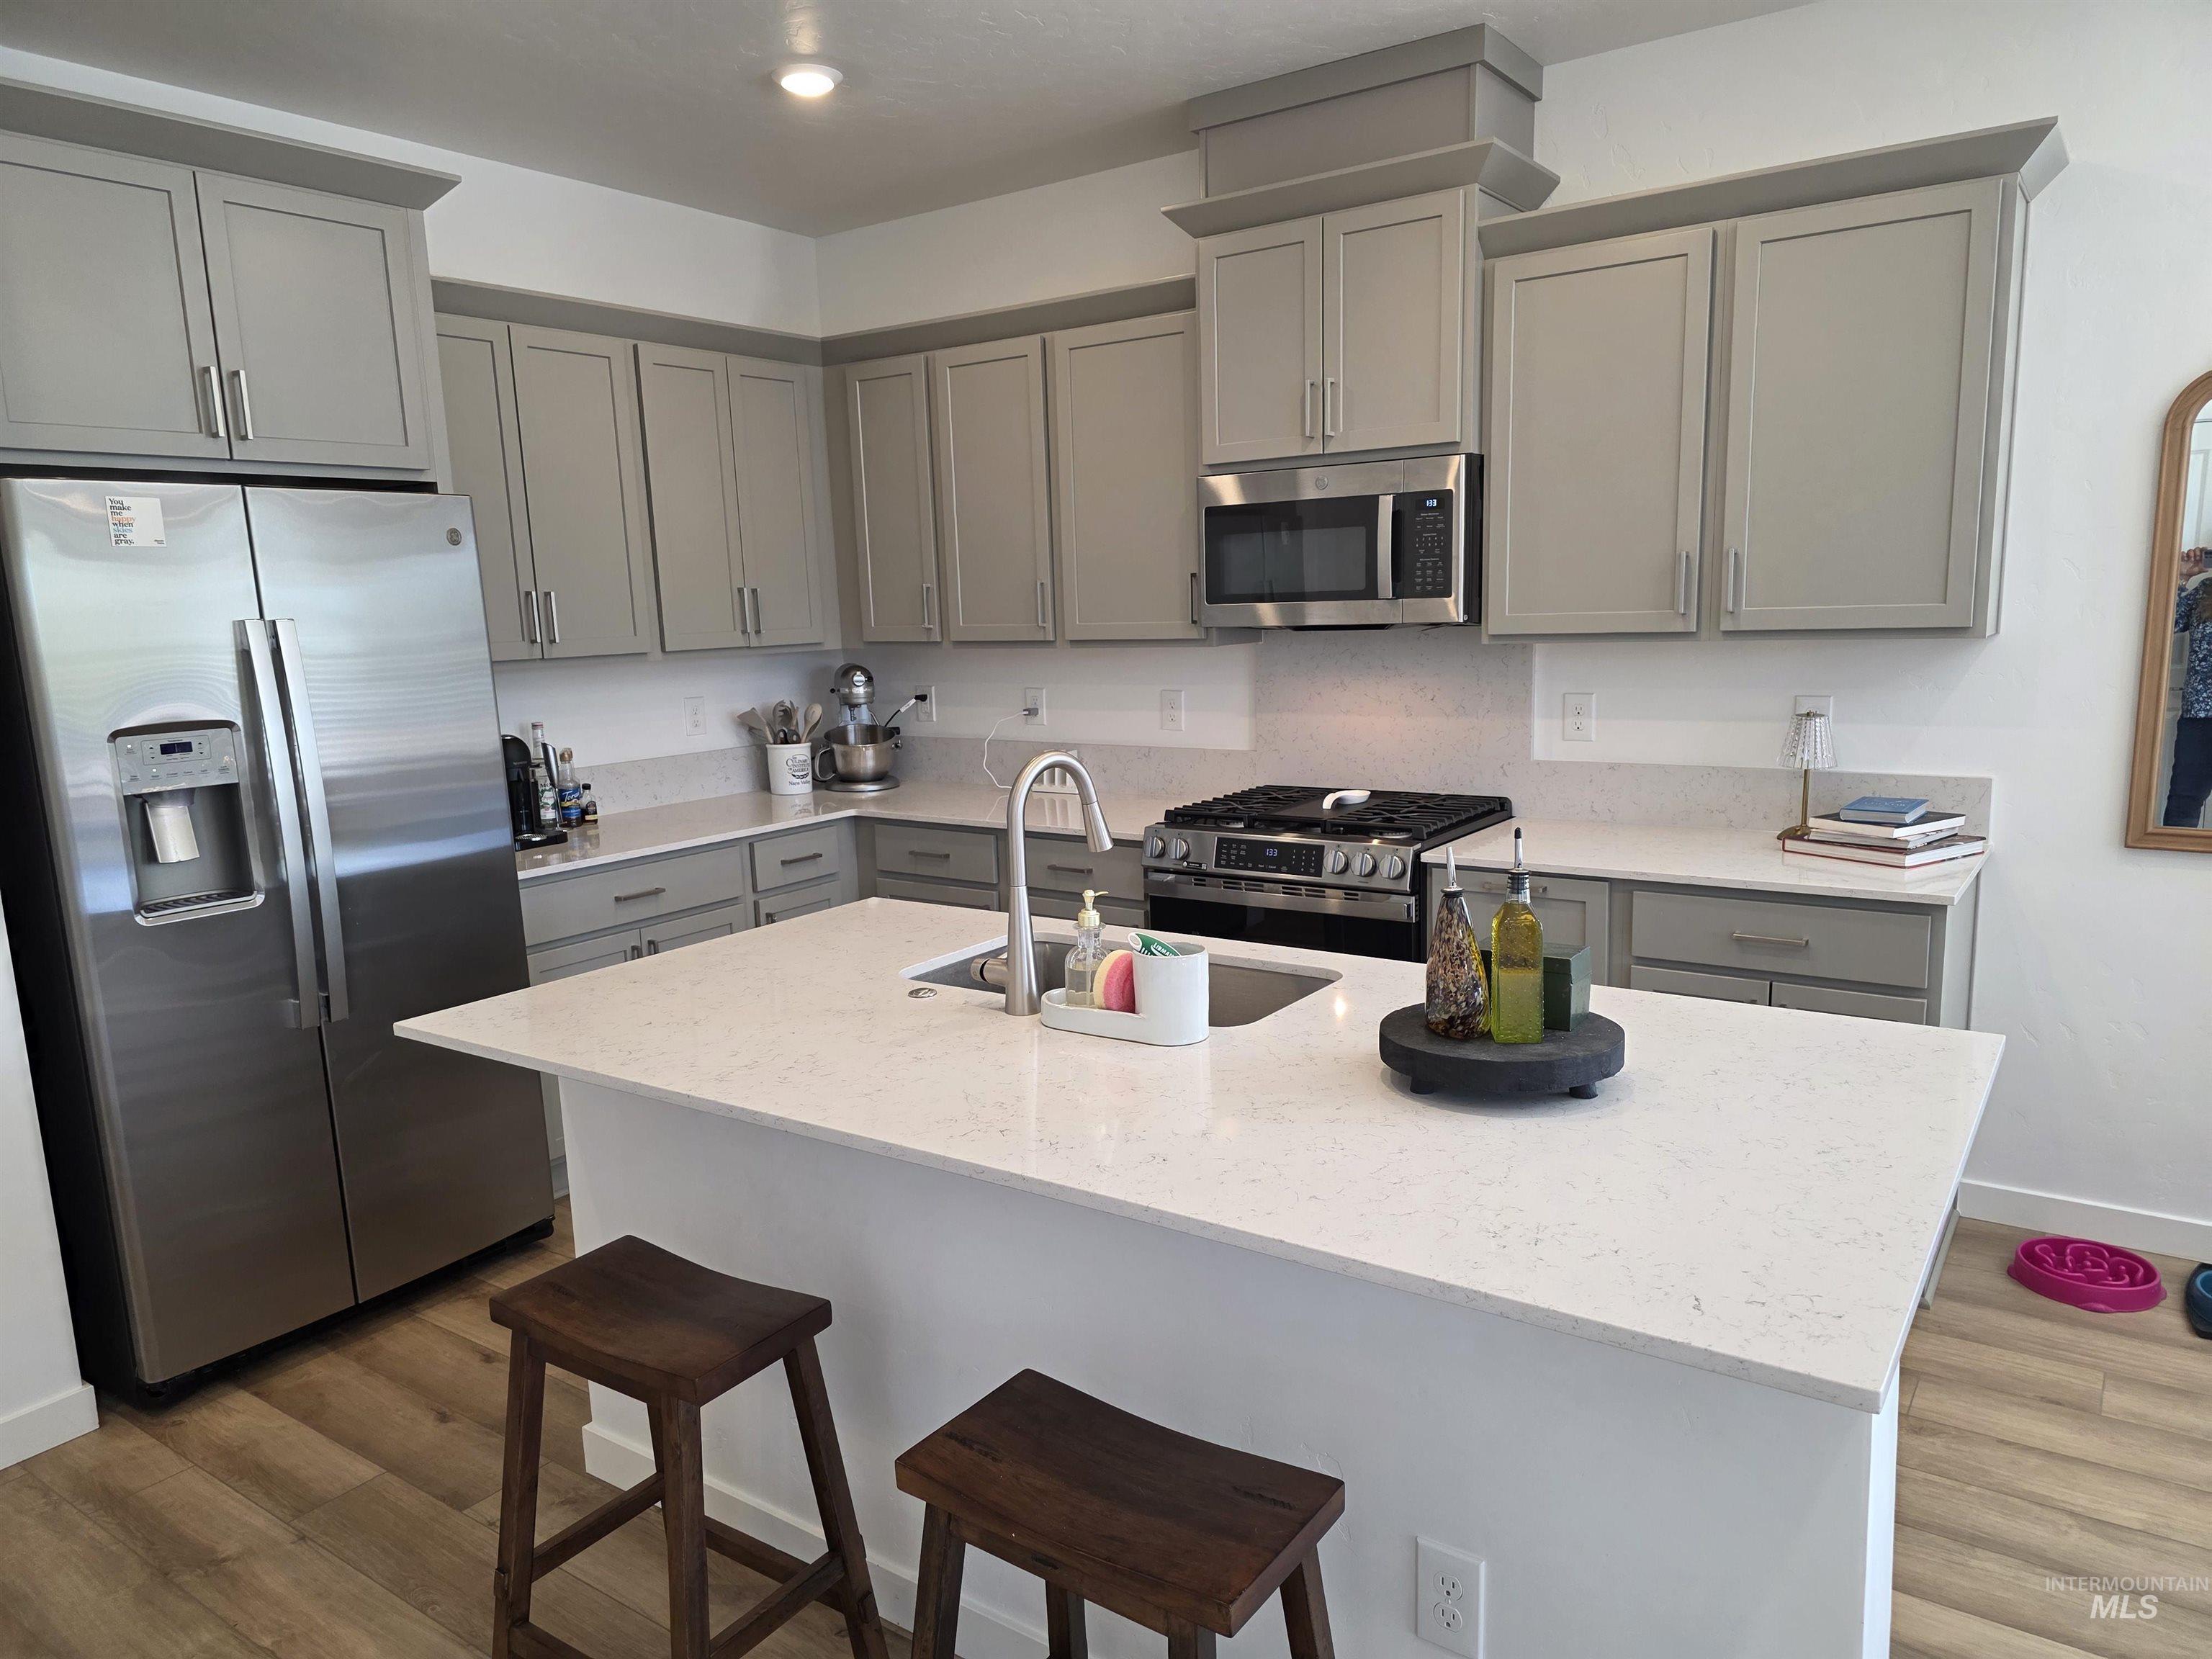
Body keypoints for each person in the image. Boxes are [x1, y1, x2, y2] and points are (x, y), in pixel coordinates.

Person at [2163, 544, 2212, 827]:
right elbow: (2166, 623)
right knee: (2183, 806)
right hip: (2199, 717)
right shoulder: (2207, 590)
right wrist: (2181, 577)